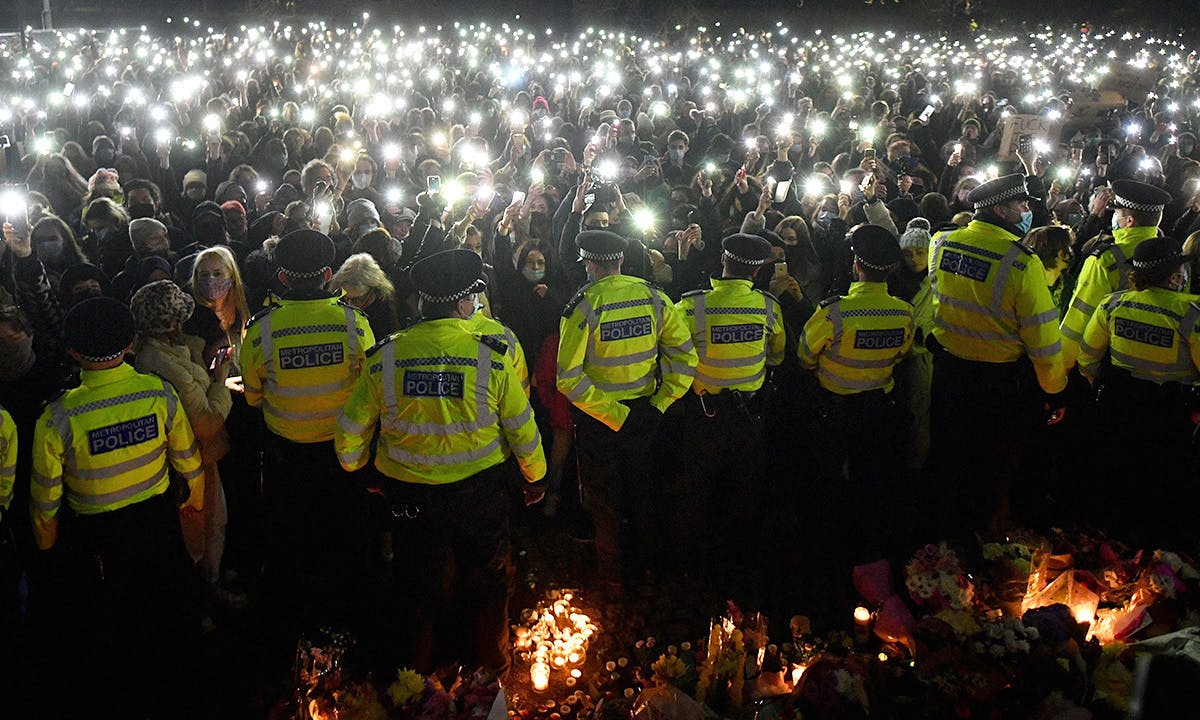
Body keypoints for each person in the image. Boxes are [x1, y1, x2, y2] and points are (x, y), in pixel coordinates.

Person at [335, 248, 545, 675]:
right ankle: (491, 671)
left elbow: (350, 432)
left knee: (417, 585)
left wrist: (361, 471)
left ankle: (416, 679)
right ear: (466, 304)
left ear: (420, 303)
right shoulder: (492, 357)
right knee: (487, 583)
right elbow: (523, 428)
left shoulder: (386, 356)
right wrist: (535, 478)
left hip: (409, 497)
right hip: (478, 494)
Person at [30, 297, 203, 715]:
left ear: (73, 352)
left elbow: (44, 503)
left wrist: (48, 550)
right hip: (158, 527)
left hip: (97, 544)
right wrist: (194, 504)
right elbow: (188, 461)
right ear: (129, 345)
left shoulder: (57, 418)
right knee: (169, 618)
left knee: (112, 628)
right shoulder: (158, 393)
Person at [240, 228, 375, 620]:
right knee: (346, 536)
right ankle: (350, 612)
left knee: (296, 539)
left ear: (282, 277)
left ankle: (298, 615)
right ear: (329, 274)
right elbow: (372, 386)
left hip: (289, 456)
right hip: (344, 453)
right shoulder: (354, 323)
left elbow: (252, 395)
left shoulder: (262, 328)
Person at [927, 173, 1068, 538]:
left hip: (947, 373)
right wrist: (1054, 390)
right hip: (998, 386)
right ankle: (981, 542)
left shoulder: (942, 243)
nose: (1026, 212)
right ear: (1000, 210)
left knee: (947, 458)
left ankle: (940, 538)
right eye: (1021, 205)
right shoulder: (1022, 262)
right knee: (990, 468)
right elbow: (1043, 339)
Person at [556, 229, 697, 592]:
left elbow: (568, 379)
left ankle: (613, 581)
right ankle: (648, 572)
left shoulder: (583, 305)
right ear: (621, 260)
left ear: (588, 264)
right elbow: (685, 358)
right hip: (647, 416)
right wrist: (660, 404)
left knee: (604, 503)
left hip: (601, 421)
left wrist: (616, 416)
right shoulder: (655, 297)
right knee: (644, 493)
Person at [1075, 236, 1200, 548]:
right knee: (1164, 488)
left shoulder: (1113, 303)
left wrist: (1099, 391)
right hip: (1170, 415)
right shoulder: (1190, 313)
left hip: (1119, 407)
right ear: (1174, 276)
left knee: (1121, 480)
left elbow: (1087, 357)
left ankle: (1116, 548)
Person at [672, 233, 784, 577]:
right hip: (749, 415)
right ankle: (742, 559)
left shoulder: (692, 305)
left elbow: (676, 357)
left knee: (695, 486)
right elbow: (777, 357)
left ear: (723, 260)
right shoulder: (768, 306)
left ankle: (691, 560)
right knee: (744, 485)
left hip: (704, 412)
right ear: (756, 272)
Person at [799, 225, 914, 552]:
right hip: (878, 408)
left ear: (856, 265)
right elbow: (901, 355)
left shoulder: (834, 311)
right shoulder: (903, 313)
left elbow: (805, 357)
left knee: (829, 475)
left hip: (835, 410)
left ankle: (826, 540)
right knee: (869, 475)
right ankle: (863, 539)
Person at [130, 280, 235, 603]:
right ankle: (206, 594)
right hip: (193, 460)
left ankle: (208, 583)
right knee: (202, 532)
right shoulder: (162, 363)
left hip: (198, 458)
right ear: (175, 320)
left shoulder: (172, 351)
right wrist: (220, 381)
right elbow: (204, 422)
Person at [1060, 180, 1173, 368]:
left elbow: (1079, 318)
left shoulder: (1106, 261)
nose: (1114, 217)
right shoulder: (1172, 259)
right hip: (1158, 366)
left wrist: (1060, 370)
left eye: (1117, 213)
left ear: (1129, 221)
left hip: (1109, 363)